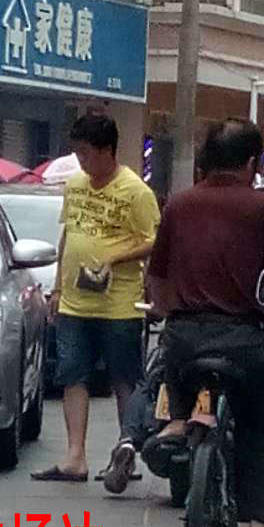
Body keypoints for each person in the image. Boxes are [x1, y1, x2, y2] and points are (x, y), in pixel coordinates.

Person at [143, 119, 264, 527]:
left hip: (185, 338)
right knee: (263, 426)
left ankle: (176, 421)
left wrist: (164, 309)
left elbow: (158, 274)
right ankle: (257, 523)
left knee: (172, 362)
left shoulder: (179, 204)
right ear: (250, 163)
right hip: (244, 339)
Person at [31, 113, 160, 485]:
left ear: (107, 151)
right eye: (78, 153)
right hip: (75, 301)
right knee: (72, 374)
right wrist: (58, 288)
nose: (82, 161)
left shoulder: (135, 191)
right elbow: (68, 236)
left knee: (124, 378)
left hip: (119, 304)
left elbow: (154, 240)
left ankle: (125, 449)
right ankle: (75, 457)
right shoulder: (75, 186)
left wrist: (114, 257)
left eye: (86, 153)